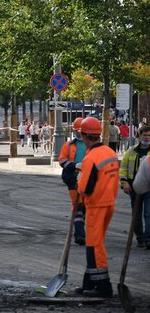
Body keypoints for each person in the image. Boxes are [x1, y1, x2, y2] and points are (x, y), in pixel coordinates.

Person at [74, 116, 120, 298]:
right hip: (109, 203)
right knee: (96, 242)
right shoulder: (110, 152)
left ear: (84, 135)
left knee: (94, 245)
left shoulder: (90, 158)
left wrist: (78, 180)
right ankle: (89, 283)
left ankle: (103, 287)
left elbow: (84, 188)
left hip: (96, 205)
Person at [119, 125, 150, 248]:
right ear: (139, 136)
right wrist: (124, 182)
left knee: (148, 213)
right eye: (145, 135)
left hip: (148, 186)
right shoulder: (131, 151)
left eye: (149, 135)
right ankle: (140, 238)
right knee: (136, 213)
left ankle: (148, 239)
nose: (147, 137)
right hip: (134, 186)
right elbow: (123, 167)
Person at [59, 117, 87, 245]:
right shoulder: (68, 145)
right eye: (77, 130)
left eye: (81, 130)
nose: (79, 133)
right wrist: (75, 165)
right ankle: (79, 234)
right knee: (78, 207)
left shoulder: (92, 145)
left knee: (85, 207)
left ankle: (82, 232)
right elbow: (62, 160)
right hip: (72, 179)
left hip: (88, 179)